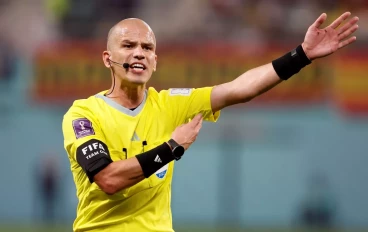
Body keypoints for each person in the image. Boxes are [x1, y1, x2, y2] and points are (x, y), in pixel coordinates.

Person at [62, 12, 359, 232]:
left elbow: (239, 89)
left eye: (147, 47)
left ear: (155, 60)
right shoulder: (84, 114)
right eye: (128, 45)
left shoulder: (170, 104)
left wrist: (301, 55)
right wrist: (172, 147)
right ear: (106, 58)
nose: (139, 52)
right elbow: (108, 179)